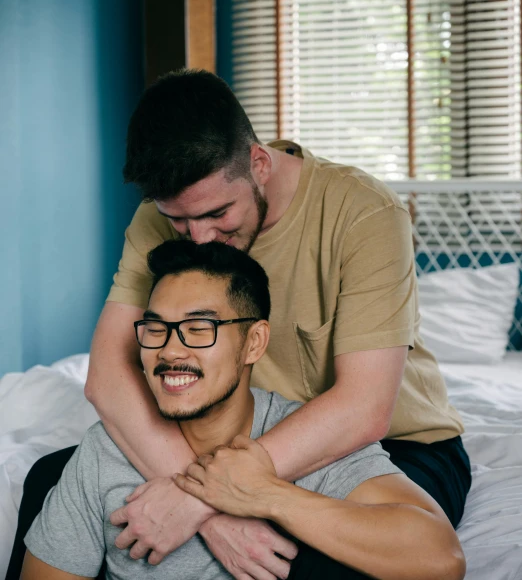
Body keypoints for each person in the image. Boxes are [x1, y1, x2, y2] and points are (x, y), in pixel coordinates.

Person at [8, 69, 471, 580]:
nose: (199, 238)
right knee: (53, 480)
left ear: (258, 162)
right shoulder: (158, 218)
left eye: (218, 212)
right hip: (230, 432)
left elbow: (363, 408)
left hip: (395, 443)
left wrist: (202, 499)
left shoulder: (364, 212)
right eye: (179, 221)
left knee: (296, 558)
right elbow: (108, 376)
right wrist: (212, 503)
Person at [21, 240, 466, 580]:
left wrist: (263, 494)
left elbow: (440, 557)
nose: (170, 350)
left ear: (254, 342)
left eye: (199, 329)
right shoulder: (107, 449)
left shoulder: (305, 438)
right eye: (155, 329)